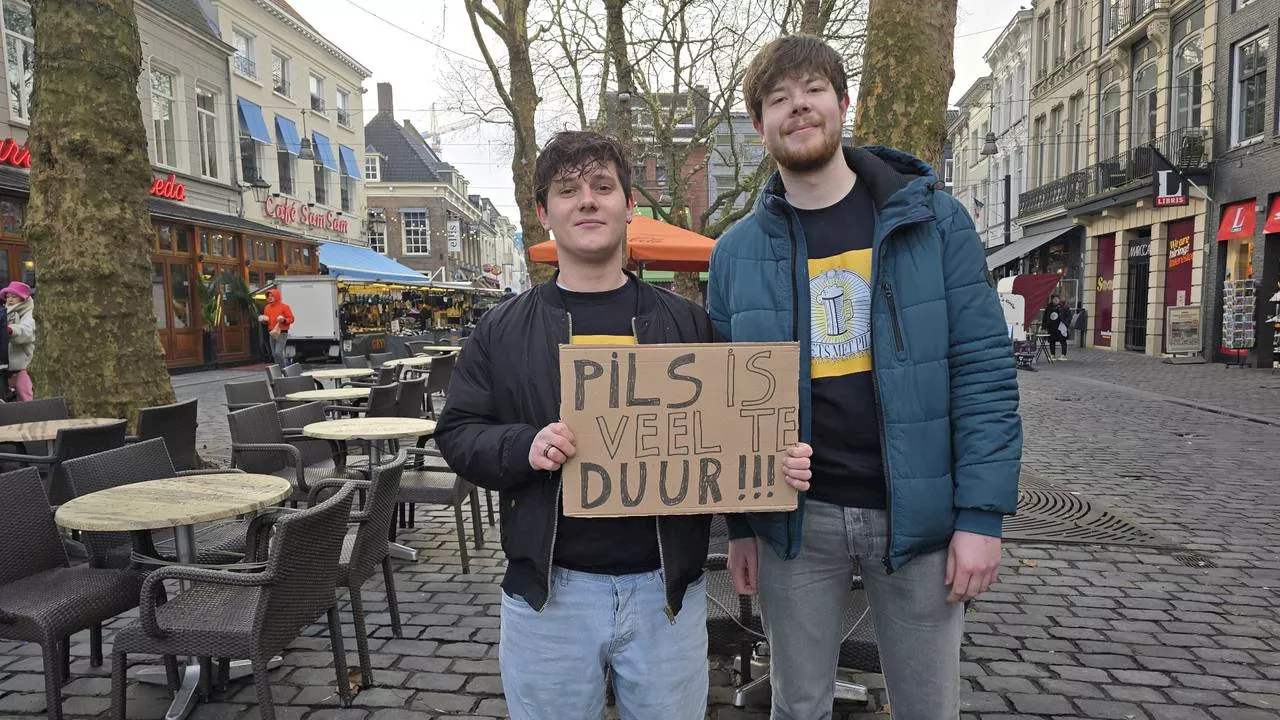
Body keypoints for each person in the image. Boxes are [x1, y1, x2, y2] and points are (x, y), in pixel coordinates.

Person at [434, 130, 811, 720]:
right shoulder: (500, 329)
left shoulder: (688, 323)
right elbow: (457, 433)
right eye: (567, 190)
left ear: (628, 205)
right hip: (548, 595)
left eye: (603, 186)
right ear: (543, 214)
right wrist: (522, 444)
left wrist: (752, 507)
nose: (587, 200)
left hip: (665, 592)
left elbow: (731, 429)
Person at [707, 35, 1023, 720]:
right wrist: (739, 525)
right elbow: (729, 399)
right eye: (777, 99)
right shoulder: (734, 253)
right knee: (797, 706)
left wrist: (981, 517)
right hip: (796, 523)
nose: (798, 108)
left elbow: (983, 372)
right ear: (760, 127)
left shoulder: (933, 220)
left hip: (919, 515)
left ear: (843, 104)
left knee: (927, 707)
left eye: (813, 91)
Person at [2, 281, 35, 401]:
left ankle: (34, 415)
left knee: (24, 392)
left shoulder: (29, 314)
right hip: (7, 365)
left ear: (23, 298)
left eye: (14, 296)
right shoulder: (5, 314)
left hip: (24, 363)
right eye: (7, 297)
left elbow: (28, 331)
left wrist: (11, 330)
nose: (9, 299)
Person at [258, 288, 294, 368]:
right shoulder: (267, 307)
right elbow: (268, 321)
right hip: (272, 332)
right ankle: (281, 369)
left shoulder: (284, 307)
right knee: (274, 354)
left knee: (278, 352)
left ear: (277, 296)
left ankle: (284, 369)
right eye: (269, 296)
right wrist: (264, 320)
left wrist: (284, 320)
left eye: (272, 296)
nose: (270, 297)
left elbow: (291, 318)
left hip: (282, 332)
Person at [1043, 294, 1070, 359]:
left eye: (1057, 299)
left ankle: (1063, 354)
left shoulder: (1063, 307)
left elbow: (1068, 316)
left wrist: (1066, 323)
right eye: (1054, 299)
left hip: (1060, 327)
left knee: (1062, 340)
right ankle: (1052, 354)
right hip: (1052, 326)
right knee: (1052, 341)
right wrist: (1044, 326)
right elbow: (1045, 317)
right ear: (1052, 300)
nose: (1056, 300)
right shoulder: (1049, 307)